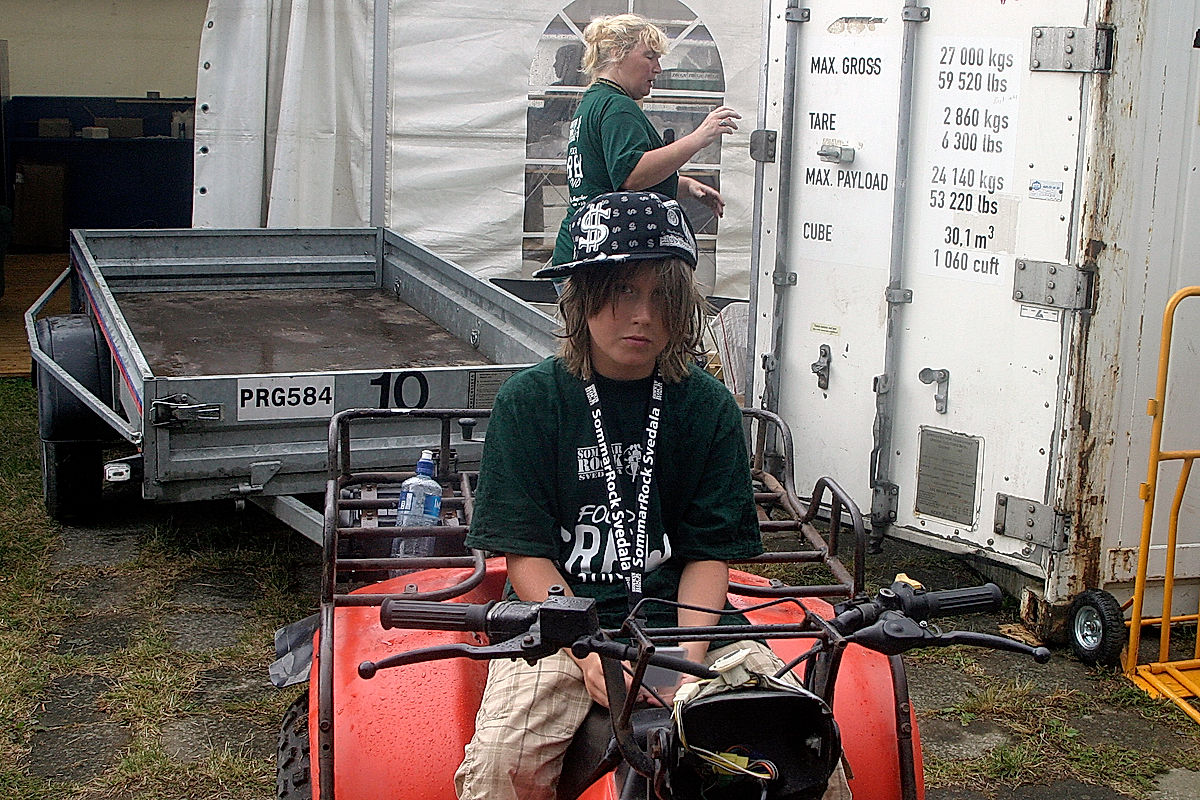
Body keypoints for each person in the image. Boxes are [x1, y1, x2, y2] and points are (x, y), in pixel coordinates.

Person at [455, 191, 851, 800]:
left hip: (687, 625)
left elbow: (706, 556)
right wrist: (590, 655)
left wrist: (689, 668)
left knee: (801, 752)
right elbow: (526, 559)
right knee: (502, 767)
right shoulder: (530, 405)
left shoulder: (707, 409)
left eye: (660, 296)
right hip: (559, 629)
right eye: (622, 293)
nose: (643, 316)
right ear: (581, 299)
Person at [550, 13, 741, 268]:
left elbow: (608, 175)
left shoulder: (594, 100)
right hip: (601, 255)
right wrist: (699, 137)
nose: (658, 68)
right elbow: (633, 176)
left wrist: (684, 186)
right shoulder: (618, 106)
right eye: (649, 56)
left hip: (581, 245)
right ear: (618, 53)